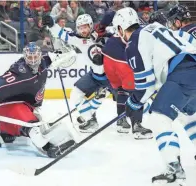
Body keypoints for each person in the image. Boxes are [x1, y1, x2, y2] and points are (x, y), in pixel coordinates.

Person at [112, 7, 196, 184]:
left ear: (120, 28)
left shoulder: (133, 43)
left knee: (158, 117)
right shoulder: (156, 27)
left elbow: (146, 84)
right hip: (190, 68)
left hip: (182, 74)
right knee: (188, 116)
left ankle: (174, 170)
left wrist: (133, 103)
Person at [0, 42, 78, 158]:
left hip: (26, 106)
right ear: (25, 57)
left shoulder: (44, 62)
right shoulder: (20, 72)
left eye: (35, 57)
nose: (33, 61)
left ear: (40, 55)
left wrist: (67, 53)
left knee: (9, 136)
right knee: (33, 128)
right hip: (11, 106)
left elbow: (61, 55)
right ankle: (48, 148)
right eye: (30, 58)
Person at [44, 14, 109, 133]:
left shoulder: (102, 33)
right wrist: (52, 25)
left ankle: (127, 120)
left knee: (124, 98)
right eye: (80, 28)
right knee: (75, 94)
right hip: (95, 75)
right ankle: (90, 119)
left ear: (91, 26)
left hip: (112, 76)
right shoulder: (77, 39)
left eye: (85, 27)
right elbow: (63, 35)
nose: (83, 30)